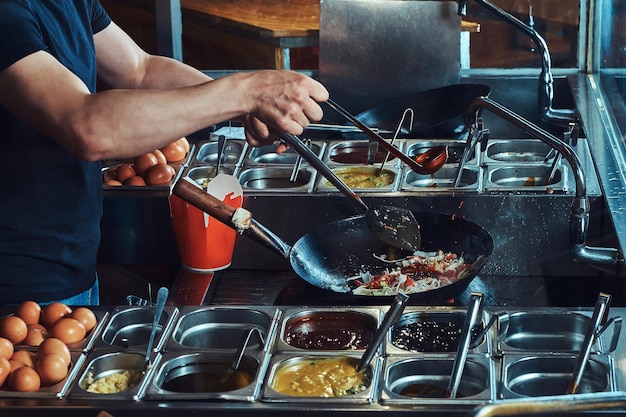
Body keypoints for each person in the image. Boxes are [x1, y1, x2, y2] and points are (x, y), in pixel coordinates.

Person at [0, 0, 328, 306]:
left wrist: (247, 109)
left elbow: (139, 70)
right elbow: (86, 126)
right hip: (17, 283)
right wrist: (246, 93)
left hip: (74, 260)